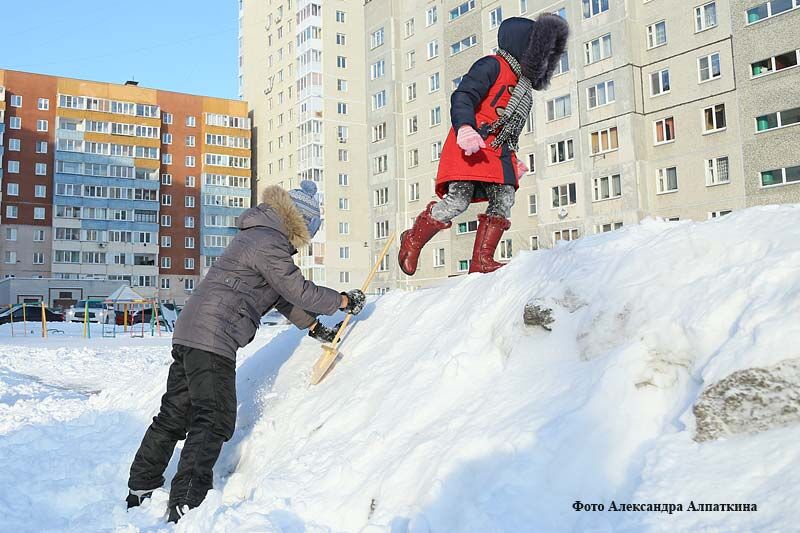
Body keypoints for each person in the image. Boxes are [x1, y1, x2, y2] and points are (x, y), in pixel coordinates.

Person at [125, 180, 365, 522]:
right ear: (301, 223)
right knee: (215, 417)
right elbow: (297, 288)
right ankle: (187, 505)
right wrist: (342, 300)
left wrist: (313, 327)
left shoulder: (259, 235)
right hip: (213, 336)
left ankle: (140, 487)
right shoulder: (269, 242)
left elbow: (280, 295)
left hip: (193, 332)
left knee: (176, 413)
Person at [398, 14, 569, 275]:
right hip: (472, 143)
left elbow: (511, 126)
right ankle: (412, 239)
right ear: (524, 47)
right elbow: (464, 95)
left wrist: (514, 158)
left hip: (498, 150)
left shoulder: (523, 87)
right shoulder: (492, 65)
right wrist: (465, 127)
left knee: (505, 198)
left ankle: (482, 260)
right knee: (458, 201)